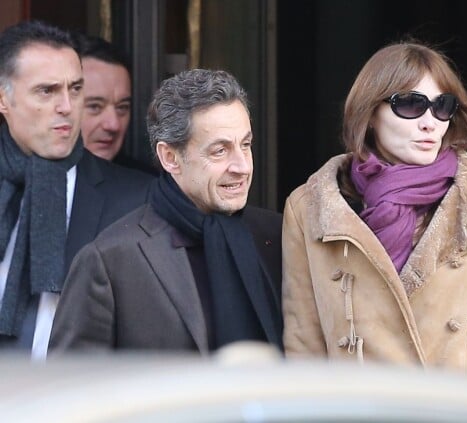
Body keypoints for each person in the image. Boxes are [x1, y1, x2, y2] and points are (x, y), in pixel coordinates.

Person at [281, 41, 467, 386]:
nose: (430, 123)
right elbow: (305, 351)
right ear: (370, 113)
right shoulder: (311, 209)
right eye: (410, 105)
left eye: (442, 106)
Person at [49, 69, 283, 354]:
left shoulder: (277, 236)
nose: (242, 166)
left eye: (245, 145)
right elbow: (75, 386)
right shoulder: (110, 261)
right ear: (170, 157)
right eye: (220, 151)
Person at [0, 20, 153, 360]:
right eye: (47, 91)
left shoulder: (138, 200)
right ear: (4, 99)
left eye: (76, 89)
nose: (67, 106)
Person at [73, 33, 158, 174]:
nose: (114, 125)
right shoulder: (28, 183)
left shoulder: (146, 189)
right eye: (95, 106)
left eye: (122, 108)